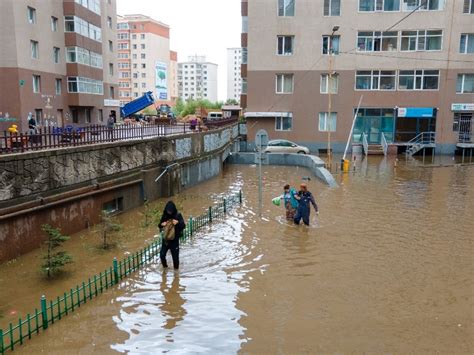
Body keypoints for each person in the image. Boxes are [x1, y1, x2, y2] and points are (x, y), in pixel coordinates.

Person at [159, 201, 186, 270]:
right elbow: (159, 225)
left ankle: (176, 273)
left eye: (170, 211)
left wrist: (178, 223)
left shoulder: (178, 215)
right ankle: (165, 268)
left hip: (174, 240)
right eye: (168, 211)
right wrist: (162, 224)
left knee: (175, 257)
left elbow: (183, 226)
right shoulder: (164, 215)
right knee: (162, 255)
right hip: (165, 240)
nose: (169, 212)